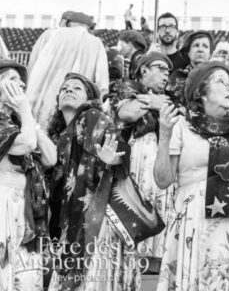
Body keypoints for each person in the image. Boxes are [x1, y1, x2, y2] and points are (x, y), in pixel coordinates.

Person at [154, 62, 229, 290]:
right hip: (194, 218)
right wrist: (164, 135)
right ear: (201, 92)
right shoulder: (181, 125)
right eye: (221, 81)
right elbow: (163, 180)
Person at [47, 73, 140, 291]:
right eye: (65, 88)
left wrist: (111, 161)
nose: (69, 90)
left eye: (77, 88)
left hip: (97, 220)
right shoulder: (60, 135)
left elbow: (121, 152)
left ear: (90, 98)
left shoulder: (92, 117)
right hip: (73, 221)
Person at [111, 52, 172, 268]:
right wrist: (155, 103)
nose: (166, 74)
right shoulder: (126, 88)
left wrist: (156, 102)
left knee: (157, 237)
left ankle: (149, 285)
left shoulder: (167, 99)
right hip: (132, 164)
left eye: (168, 71)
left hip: (159, 167)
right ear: (144, 69)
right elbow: (127, 113)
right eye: (161, 68)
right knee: (130, 232)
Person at [0, 60, 56, 290]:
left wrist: (26, 114)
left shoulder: (20, 123)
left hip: (26, 207)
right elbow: (27, 144)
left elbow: (50, 158)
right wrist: (24, 110)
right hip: (4, 204)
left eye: (21, 80)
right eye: (13, 79)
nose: (21, 83)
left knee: (26, 276)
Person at [26, 11, 109, 129]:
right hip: (73, 110)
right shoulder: (95, 42)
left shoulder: (49, 35)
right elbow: (102, 83)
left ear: (68, 23)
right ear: (88, 27)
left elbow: (31, 67)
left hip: (38, 104)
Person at [165, 30, 213, 107]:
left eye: (205, 46)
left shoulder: (217, 78)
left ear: (210, 54)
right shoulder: (177, 77)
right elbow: (168, 105)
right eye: (196, 45)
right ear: (188, 52)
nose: (200, 49)